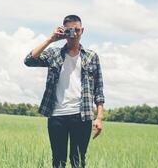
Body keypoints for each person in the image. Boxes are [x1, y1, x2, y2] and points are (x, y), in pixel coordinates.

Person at [23, 15, 105, 168]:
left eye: (77, 30)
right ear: (64, 31)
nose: (74, 34)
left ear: (83, 31)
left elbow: (99, 89)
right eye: (70, 30)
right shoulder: (54, 54)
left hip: (82, 116)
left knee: (78, 161)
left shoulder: (92, 56)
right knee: (58, 161)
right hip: (57, 116)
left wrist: (99, 117)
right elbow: (29, 60)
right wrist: (51, 39)